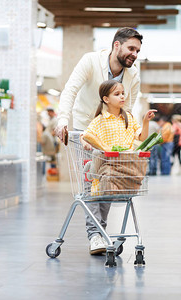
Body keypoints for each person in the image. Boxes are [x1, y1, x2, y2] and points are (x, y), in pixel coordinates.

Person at [55, 27, 143, 255]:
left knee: (108, 182)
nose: (135, 54)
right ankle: (95, 235)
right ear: (116, 45)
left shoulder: (133, 74)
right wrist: (62, 120)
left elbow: (129, 107)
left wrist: (129, 135)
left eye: (138, 50)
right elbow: (70, 90)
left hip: (113, 134)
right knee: (91, 183)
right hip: (87, 131)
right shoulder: (91, 61)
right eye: (131, 48)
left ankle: (100, 233)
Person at [82, 80, 156, 255]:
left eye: (122, 93)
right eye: (117, 94)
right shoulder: (100, 120)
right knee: (100, 192)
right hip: (107, 165)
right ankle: (96, 236)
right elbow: (88, 135)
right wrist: (95, 145)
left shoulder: (128, 118)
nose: (122, 96)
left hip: (124, 167)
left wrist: (145, 121)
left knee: (105, 199)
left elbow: (141, 137)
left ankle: (100, 235)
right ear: (106, 99)